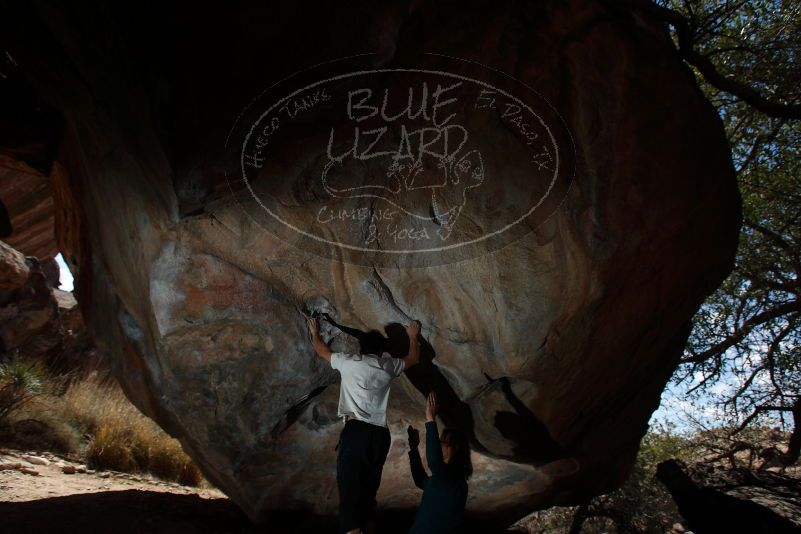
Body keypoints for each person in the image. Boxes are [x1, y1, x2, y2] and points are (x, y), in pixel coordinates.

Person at [307, 316, 422, 534]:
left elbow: (321, 350)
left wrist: (314, 332)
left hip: (356, 431)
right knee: (369, 494)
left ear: (361, 349)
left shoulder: (349, 362)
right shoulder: (387, 366)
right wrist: (412, 335)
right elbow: (414, 358)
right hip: (380, 435)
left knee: (351, 495)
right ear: (381, 351)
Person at [407, 392, 471, 534]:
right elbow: (420, 480)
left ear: (455, 449)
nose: (439, 445)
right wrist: (413, 449)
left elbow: (434, 461)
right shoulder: (444, 479)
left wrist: (431, 419)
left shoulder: (453, 480)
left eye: (443, 442)